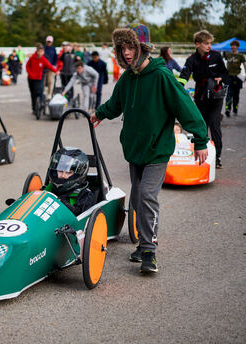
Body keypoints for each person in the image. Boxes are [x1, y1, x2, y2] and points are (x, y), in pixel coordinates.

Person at [90, 23, 209, 274]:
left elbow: (186, 107)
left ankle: (149, 251)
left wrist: (199, 140)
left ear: (143, 47)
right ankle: (142, 244)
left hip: (157, 150)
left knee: (146, 196)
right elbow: (116, 103)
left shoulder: (162, 76)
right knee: (137, 198)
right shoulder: (127, 77)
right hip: (135, 150)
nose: (127, 53)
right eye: (122, 48)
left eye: (131, 47)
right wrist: (100, 114)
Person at [180, 30, 229, 169]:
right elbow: (184, 76)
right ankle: (201, 155)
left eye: (210, 43)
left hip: (216, 96)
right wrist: (178, 87)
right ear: (197, 44)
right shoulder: (191, 60)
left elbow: (225, 74)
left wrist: (221, 78)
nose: (209, 46)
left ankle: (217, 157)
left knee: (214, 126)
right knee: (201, 127)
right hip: (200, 97)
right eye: (206, 43)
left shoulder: (216, 56)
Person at [45, 148, 95, 216]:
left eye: (68, 172)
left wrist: (70, 208)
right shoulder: (48, 188)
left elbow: (82, 219)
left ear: (77, 175)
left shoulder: (85, 195)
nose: (62, 175)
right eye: (60, 171)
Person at [26, 43, 59, 115]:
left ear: (43, 52)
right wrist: (30, 73)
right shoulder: (32, 58)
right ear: (37, 51)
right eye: (39, 51)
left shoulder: (43, 59)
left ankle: (39, 105)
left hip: (38, 78)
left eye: (42, 52)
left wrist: (56, 71)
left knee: (38, 91)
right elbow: (27, 66)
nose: (40, 53)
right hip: (31, 78)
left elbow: (49, 66)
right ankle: (34, 108)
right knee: (33, 93)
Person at [224, 40, 246, 117]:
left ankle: (235, 109)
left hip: (237, 77)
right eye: (232, 45)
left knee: (236, 95)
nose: (233, 47)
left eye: (234, 45)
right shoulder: (228, 54)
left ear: (237, 47)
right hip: (229, 76)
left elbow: (244, 65)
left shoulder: (240, 56)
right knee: (229, 94)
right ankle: (227, 109)